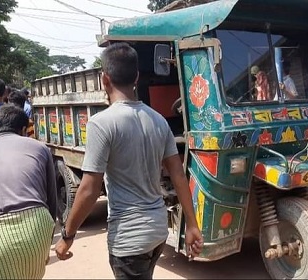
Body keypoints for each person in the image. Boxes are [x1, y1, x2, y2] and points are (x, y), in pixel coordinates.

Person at [55, 43, 203, 279]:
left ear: (104, 80)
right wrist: (193, 225)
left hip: (129, 239)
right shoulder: (158, 120)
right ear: (136, 77)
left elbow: (89, 189)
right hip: (157, 232)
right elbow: (178, 174)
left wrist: (68, 235)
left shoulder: (101, 123)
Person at [0, 104, 57, 279]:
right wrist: (48, 240)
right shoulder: (40, 148)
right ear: (24, 129)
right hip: (36, 225)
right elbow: (51, 197)